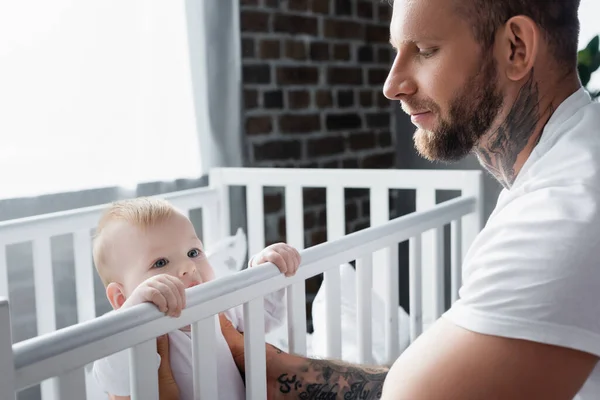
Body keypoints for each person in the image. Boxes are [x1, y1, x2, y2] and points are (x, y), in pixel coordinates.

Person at [156, 0, 600, 399]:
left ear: (516, 48)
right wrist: (273, 367)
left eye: (425, 50)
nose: (392, 85)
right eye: (396, 51)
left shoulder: (562, 213)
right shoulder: (570, 160)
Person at [89, 197, 301, 400]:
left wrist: (264, 269)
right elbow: (113, 378)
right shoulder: (142, 336)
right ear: (121, 297)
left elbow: (267, 313)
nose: (188, 267)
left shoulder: (219, 304)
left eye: (193, 252)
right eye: (160, 262)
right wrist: (133, 311)